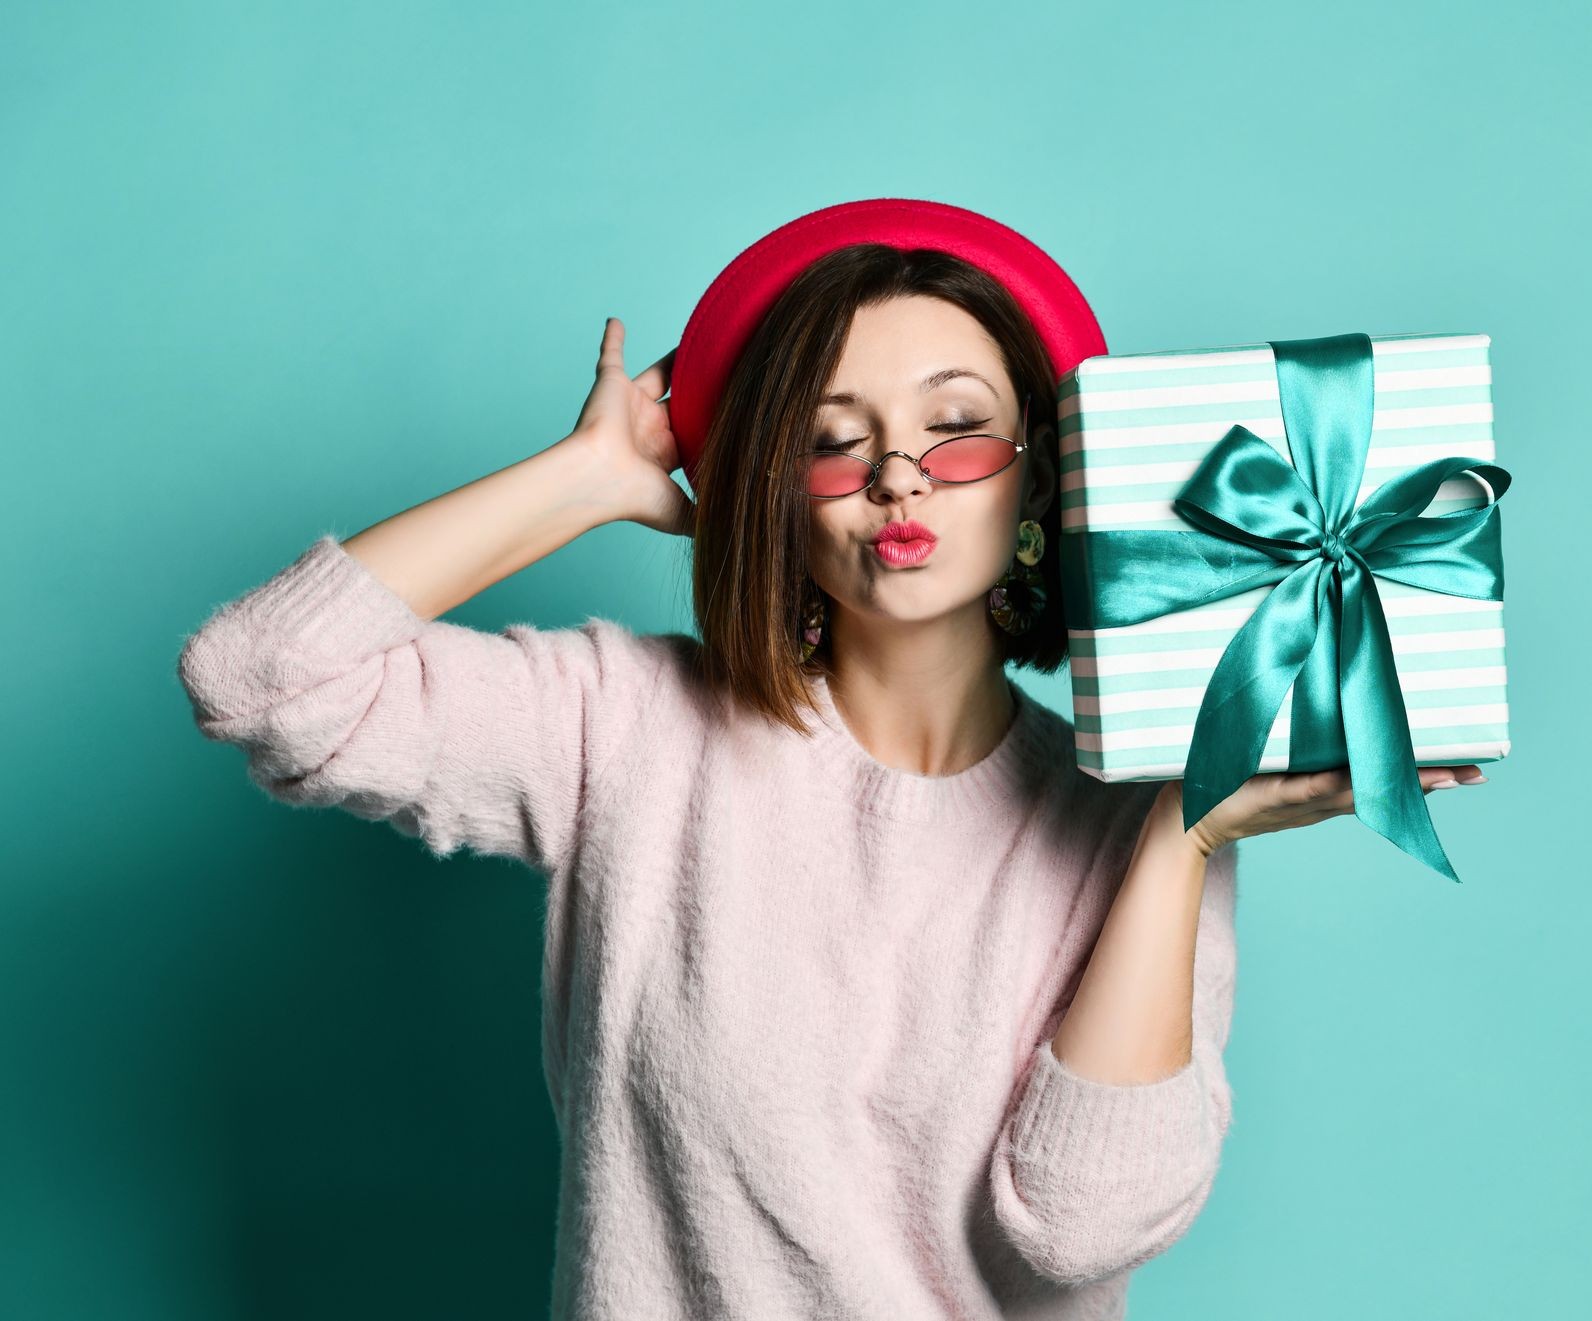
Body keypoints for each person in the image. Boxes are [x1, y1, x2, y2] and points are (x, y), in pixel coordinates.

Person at [176, 198, 1484, 1320]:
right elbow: (262, 679)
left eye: (958, 428)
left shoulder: (1135, 809)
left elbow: (1080, 1230)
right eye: (829, 437)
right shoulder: (623, 729)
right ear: (770, 488)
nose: (898, 478)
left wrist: (1181, 833)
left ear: (1039, 485)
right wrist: (584, 477)